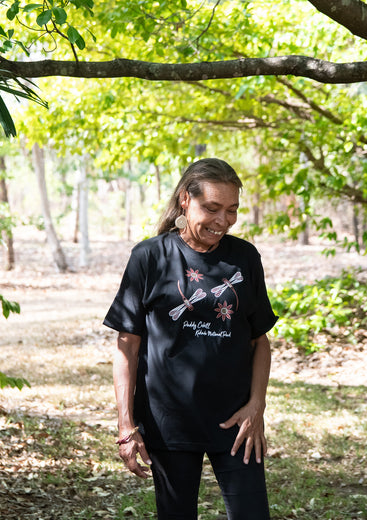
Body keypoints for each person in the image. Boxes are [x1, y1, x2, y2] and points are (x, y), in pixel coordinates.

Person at [104, 158, 278, 520]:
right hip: (168, 421)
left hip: (237, 422)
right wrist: (126, 425)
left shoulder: (245, 257)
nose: (222, 221)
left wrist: (256, 406)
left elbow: (259, 340)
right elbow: (127, 345)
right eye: (212, 208)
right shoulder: (150, 256)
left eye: (232, 211)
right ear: (185, 199)